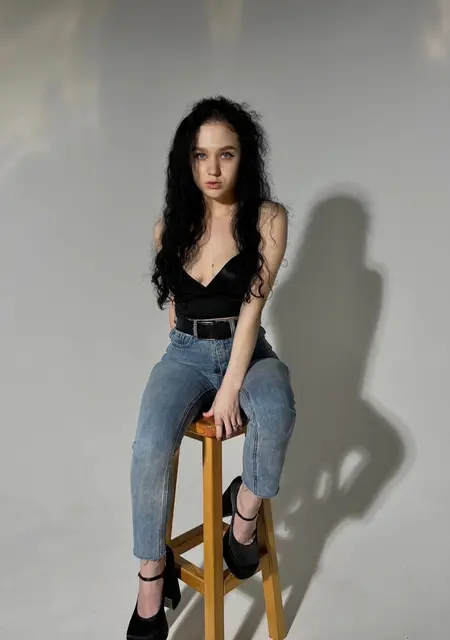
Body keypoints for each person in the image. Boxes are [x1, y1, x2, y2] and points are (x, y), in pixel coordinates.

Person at [126, 96, 296, 640]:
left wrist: (228, 389)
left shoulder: (267, 219)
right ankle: (152, 580)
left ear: (245, 157)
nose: (213, 169)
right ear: (188, 161)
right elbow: (176, 307)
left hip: (248, 351)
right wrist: (187, 370)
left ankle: (242, 517)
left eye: (226, 154)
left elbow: (251, 313)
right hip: (185, 353)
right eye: (201, 156)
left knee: (276, 404)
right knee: (150, 445)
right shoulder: (170, 227)